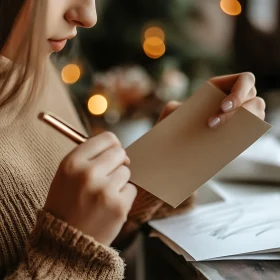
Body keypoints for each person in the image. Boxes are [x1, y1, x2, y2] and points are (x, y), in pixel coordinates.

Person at [0, 0, 266, 279]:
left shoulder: (35, 68)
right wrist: (69, 252)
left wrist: (165, 166)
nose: (88, 17)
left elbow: (102, 242)